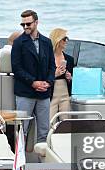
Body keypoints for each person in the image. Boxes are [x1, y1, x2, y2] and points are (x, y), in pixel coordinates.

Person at [11, 10, 56, 143]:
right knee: (21, 131)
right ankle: (20, 162)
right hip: (25, 93)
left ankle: (43, 162)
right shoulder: (19, 42)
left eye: (28, 24)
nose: (25, 27)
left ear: (36, 22)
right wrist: (33, 83)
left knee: (44, 131)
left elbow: (52, 66)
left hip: (44, 93)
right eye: (22, 24)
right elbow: (16, 68)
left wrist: (48, 82)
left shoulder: (47, 42)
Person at [49, 28, 74, 121]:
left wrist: (70, 78)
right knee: (49, 121)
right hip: (51, 94)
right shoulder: (47, 58)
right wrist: (54, 74)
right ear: (57, 40)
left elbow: (73, 82)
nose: (66, 41)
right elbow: (42, 76)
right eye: (64, 38)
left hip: (65, 94)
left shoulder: (69, 59)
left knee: (66, 121)